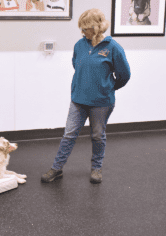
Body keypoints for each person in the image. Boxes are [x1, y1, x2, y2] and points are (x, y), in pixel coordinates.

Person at [41, 8, 131, 184]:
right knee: (69, 134)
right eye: (81, 28)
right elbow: (77, 65)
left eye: (85, 28)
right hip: (78, 100)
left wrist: (108, 87)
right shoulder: (79, 45)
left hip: (102, 102)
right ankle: (57, 168)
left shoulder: (113, 48)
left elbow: (124, 75)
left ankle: (96, 168)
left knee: (98, 135)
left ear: (96, 28)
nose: (82, 32)